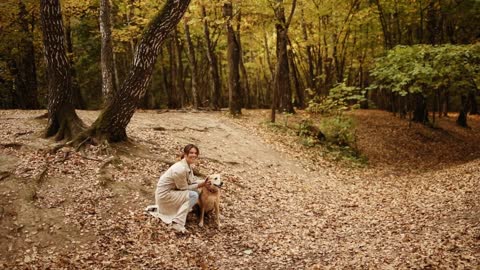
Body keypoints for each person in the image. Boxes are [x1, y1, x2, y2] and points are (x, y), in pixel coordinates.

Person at [154, 144, 210, 233]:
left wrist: (206, 181)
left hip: (173, 192)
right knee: (193, 195)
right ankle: (177, 223)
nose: (194, 155)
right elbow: (184, 188)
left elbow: (192, 181)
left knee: (195, 191)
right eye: (191, 152)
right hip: (164, 196)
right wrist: (201, 184)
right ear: (185, 154)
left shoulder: (187, 165)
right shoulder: (180, 169)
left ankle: (181, 213)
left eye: (196, 153)